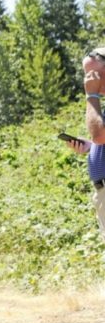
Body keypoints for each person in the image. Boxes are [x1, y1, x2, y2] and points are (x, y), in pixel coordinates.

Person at [63, 46, 105, 241]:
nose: (89, 80)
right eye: (87, 75)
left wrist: (92, 95)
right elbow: (100, 139)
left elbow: (100, 135)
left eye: (94, 74)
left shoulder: (96, 101)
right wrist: (92, 148)